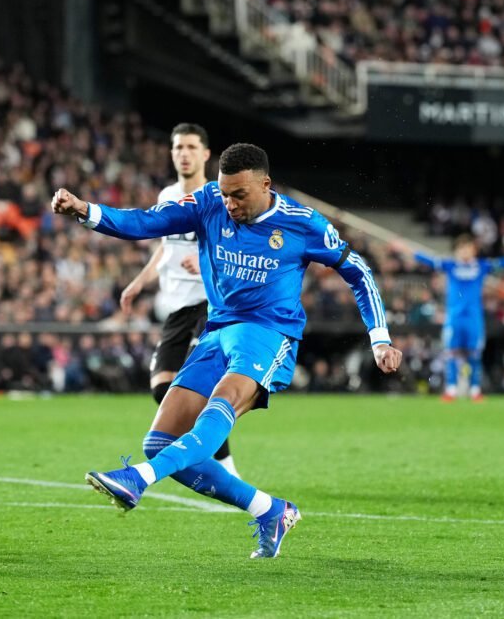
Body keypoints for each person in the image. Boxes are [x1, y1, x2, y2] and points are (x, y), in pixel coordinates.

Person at [51, 143, 402, 558]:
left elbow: (357, 271)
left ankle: (138, 480)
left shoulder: (301, 223)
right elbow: (146, 221)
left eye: (239, 195)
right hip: (218, 331)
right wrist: (86, 211)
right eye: (224, 193)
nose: (230, 203)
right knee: (159, 441)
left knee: (218, 410)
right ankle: (270, 509)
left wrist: (379, 336)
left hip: (269, 334)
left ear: (265, 184)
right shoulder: (207, 203)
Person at [118, 123, 237, 476]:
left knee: (201, 386)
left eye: (189, 147)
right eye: (177, 148)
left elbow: (235, 250)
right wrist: (140, 281)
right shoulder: (168, 195)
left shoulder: (220, 197)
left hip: (210, 304)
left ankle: (226, 468)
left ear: (204, 154)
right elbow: (166, 247)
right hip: (176, 306)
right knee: (161, 388)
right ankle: (212, 455)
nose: (183, 154)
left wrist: (205, 266)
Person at [390, 235, 504, 402]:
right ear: (457, 251)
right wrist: (404, 248)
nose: (464, 251)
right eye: (461, 248)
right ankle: (451, 390)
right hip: (454, 318)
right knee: (451, 353)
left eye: (468, 248)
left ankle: (474, 390)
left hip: (473, 318)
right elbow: (426, 259)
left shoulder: (481, 266)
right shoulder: (450, 265)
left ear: (473, 250)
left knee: (474, 354)